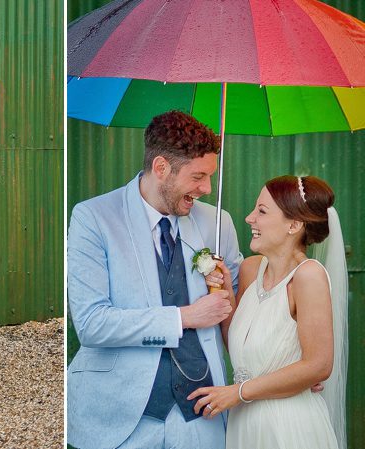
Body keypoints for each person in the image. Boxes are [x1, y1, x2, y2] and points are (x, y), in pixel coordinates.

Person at [67, 111, 244, 449]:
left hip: (203, 418)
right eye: (198, 176)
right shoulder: (94, 218)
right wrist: (186, 316)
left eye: (210, 177)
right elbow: (91, 325)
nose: (206, 189)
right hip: (122, 420)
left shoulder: (218, 223)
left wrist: (282, 374)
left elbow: (235, 321)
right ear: (161, 168)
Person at [190, 175, 348, 449]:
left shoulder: (308, 276)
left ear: (294, 224)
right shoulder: (251, 269)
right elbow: (239, 348)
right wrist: (225, 291)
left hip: (288, 427)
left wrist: (237, 393)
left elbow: (319, 365)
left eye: (261, 211)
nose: (250, 218)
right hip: (244, 424)